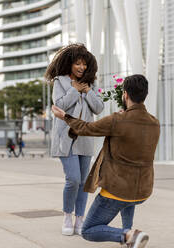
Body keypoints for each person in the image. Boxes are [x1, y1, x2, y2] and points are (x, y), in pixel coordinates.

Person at [52, 74, 160, 248]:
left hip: (117, 190)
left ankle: (128, 235)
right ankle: (131, 236)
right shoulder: (155, 123)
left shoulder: (118, 120)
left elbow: (86, 128)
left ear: (125, 95)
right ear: (145, 95)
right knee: (128, 199)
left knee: (88, 230)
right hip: (142, 191)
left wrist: (65, 116)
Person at [45, 43, 104, 236]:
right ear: (70, 64)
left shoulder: (90, 85)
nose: (81, 67)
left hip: (85, 139)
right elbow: (59, 106)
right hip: (66, 138)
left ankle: (80, 218)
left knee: (83, 182)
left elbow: (98, 108)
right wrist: (74, 89)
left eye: (84, 64)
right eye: (78, 63)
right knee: (73, 179)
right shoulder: (60, 82)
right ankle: (67, 216)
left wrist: (87, 91)